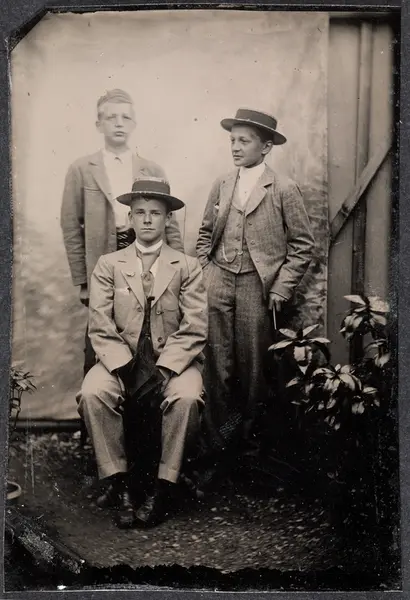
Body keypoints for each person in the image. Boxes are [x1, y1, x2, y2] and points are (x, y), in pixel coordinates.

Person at [77, 177, 207, 529]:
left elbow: (194, 327)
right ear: (130, 218)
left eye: (155, 213)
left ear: (168, 218)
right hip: (121, 362)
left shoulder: (187, 266)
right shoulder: (109, 264)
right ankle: (120, 485)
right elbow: (100, 324)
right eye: (140, 212)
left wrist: (165, 370)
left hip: (172, 364)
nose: (147, 219)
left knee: (187, 397)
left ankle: (163, 488)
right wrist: (124, 367)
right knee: (93, 392)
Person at [196, 108, 315, 458]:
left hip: (256, 286)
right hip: (218, 282)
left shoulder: (283, 188)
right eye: (232, 140)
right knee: (216, 365)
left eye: (244, 141)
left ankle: (250, 449)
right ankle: (215, 448)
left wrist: (280, 288)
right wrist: (206, 271)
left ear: (265, 147)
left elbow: (302, 246)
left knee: (254, 370)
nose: (235, 147)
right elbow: (204, 234)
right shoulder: (222, 183)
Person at [60, 89, 183, 376]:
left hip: (147, 254)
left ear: (134, 124)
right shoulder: (82, 169)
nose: (118, 123)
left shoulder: (151, 168)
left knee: (149, 325)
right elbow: (70, 226)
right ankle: (98, 399)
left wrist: (178, 270)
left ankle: (146, 399)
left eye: (125, 118)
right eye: (111, 118)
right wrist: (83, 280)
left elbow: (171, 224)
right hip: (103, 257)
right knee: (102, 330)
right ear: (98, 125)